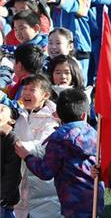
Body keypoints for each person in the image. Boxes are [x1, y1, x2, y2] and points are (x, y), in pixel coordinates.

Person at [15, 87, 104, 217]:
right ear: (84, 115)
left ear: (57, 114)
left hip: (72, 204)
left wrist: (27, 156)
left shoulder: (59, 138)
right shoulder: (95, 133)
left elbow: (46, 172)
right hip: (95, 199)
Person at [9, 75, 61, 218]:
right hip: (19, 180)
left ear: (45, 95)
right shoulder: (18, 114)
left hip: (43, 185)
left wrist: (16, 146)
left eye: (32, 89)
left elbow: (44, 144)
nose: (26, 93)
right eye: (24, 89)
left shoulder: (53, 117)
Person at [0, 104, 21, 218]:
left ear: (11, 121)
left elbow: (12, 173)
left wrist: (5, 197)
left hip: (3, 201)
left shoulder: (10, 138)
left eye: (2, 110)